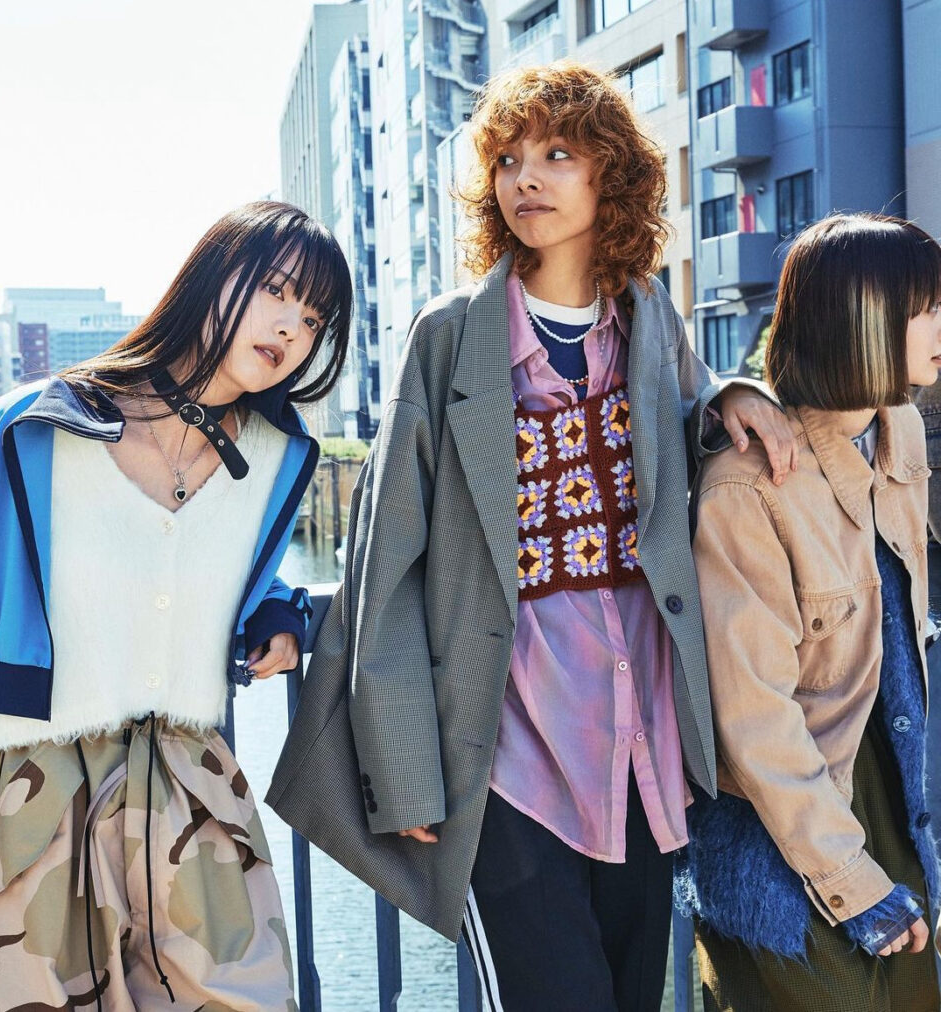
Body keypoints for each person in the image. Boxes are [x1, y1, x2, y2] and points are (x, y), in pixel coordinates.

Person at [268, 62, 794, 1011]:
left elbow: (693, 406)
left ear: (611, 176)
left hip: (641, 747)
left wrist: (737, 391)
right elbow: (385, 561)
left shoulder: (647, 314)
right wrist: (405, 767)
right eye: (508, 160)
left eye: (558, 154)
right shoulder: (449, 337)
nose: (527, 178)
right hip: (509, 755)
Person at [0, 200, 352, 1010]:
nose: (292, 328)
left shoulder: (274, 455)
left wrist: (275, 608)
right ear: (212, 275)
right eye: (277, 291)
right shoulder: (35, 426)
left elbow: (203, 564)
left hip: (189, 781)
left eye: (314, 317)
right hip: (29, 786)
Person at [676, 213, 941, 1012]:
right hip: (780, 832)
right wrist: (849, 878)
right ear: (861, 320)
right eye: (927, 308)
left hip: (888, 789)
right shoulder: (749, 483)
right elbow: (752, 722)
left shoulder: (898, 429)